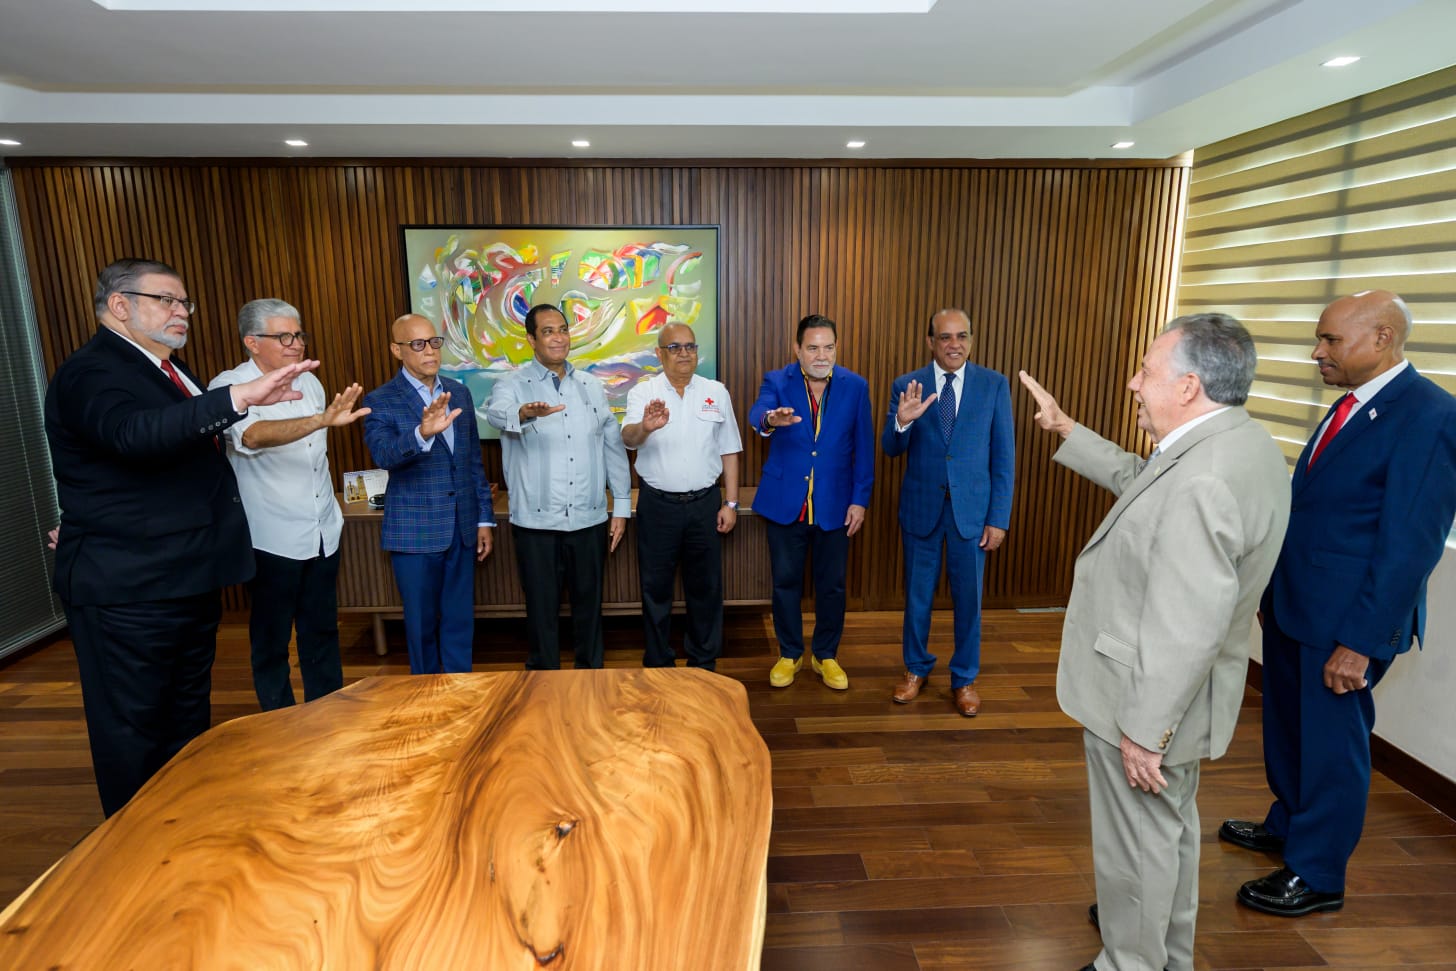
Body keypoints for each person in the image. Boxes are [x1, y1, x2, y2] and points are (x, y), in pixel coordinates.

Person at [1019, 312, 1290, 971]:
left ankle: (1128, 962)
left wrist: (1144, 729)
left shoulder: (1203, 478)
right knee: (1166, 836)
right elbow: (1145, 481)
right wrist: (1067, 430)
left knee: (1132, 847)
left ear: (1190, 386)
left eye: (1146, 370)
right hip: (1185, 698)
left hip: (1145, 702)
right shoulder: (1239, 444)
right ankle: (1168, 956)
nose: (1133, 383)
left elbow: (1186, 620)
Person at [46, 258, 316, 816]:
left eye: (184, 303)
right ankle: (135, 848)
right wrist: (239, 399)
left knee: (185, 721)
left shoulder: (168, 370)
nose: (182, 312)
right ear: (119, 305)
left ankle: (182, 825)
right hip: (130, 588)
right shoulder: (93, 371)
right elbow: (131, 435)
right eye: (166, 300)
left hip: (184, 578)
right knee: (134, 731)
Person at [1221, 290, 1456, 917]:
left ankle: (1318, 873)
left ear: (1382, 339)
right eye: (1319, 339)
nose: (1317, 352)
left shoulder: (1429, 415)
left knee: (1332, 748)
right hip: (1299, 606)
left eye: (1330, 340)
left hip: (1347, 623)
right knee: (1291, 734)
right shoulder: (1348, 404)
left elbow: (1410, 544)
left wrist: (1361, 640)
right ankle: (1291, 826)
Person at [209, 298, 369, 711]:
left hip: (322, 529)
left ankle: (328, 712)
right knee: (272, 638)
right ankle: (278, 721)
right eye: (284, 336)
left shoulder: (309, 381)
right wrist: (320, 421)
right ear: (252, 342)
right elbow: (253, 437)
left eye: (298, 334)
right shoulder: (231, 386)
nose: (295, 343)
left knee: (321, 630)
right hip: (271, 535)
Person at [881, 307, 1014, 715]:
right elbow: (891, 448)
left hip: (972, 514)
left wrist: (998, 518)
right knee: (918, 597)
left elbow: (1003, 458)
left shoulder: (994, 385)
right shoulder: (908, 385)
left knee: (969, 601)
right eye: (945, 337)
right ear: (930, 342)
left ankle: (965, 678)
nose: (954, 344)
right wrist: (901, 423)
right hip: (922, 510)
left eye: (962, 336)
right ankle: (915, 670)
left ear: (971, 340)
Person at [485, 304, 631, 670]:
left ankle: (590, 680)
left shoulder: (591, 387)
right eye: (548, 331)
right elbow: (495, 413)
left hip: (589, 518)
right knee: (541, 610)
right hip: (536, 524)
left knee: (589, 607)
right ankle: (543, 683)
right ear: (531, 339)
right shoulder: (512, 385)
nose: (558, 337)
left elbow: (611, 445)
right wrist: (524, 412)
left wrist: (623, 507)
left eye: (563, 329)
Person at [362, 314, 495, 675]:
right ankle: (424, 696)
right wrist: (421, 433)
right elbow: (384, 456)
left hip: (462, 527)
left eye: (434, 342)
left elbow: (471, 463)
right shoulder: (381, 400)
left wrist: (484, 518)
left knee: (458, 621)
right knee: (420, 626)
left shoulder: (459, 392)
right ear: (397, 350)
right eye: (417, 344)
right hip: (415, 531)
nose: (429, 352)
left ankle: (459, 691)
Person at [748, 314, 874, 689]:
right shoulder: (777, 380)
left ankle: (825, 655)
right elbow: (758, 415)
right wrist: (772, 419)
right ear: (797, 349)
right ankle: (790, 653)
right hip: (787, 501)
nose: (822, 355)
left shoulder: (855, 386)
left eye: (829, 347)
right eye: (813, 347)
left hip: (835, 504)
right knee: (785, 582)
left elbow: (863, 450)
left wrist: (860, 500)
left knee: (832, 585)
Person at [622, 323, 743, 670]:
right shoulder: (643, 393)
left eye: (690, 346)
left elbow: (730, 450)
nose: (685, 353)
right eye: (675, 347)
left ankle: (703, 661)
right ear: (659, 354)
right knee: (655, 589)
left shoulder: (716, 391)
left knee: (705, 589)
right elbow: (628, 439)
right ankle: (659, 661)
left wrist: (730, 503)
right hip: (657, 505)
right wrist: (645, 427)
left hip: (705, 504)